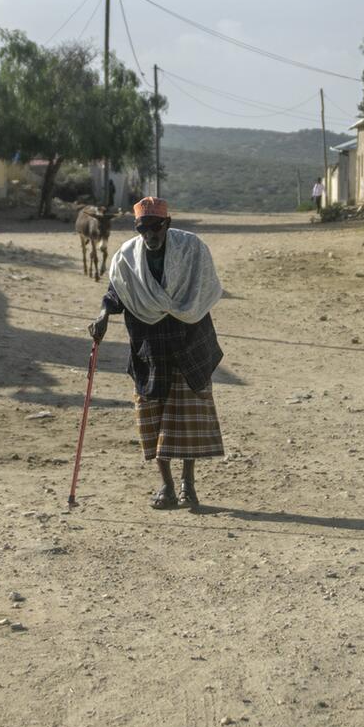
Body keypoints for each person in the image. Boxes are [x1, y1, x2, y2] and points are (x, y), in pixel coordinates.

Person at [87, 197, 225, 510]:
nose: (150, 234)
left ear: (167, 223)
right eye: (143, 228)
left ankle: (189, 483)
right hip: (150, 346)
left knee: (187, 417)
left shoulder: (191, 250)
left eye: (155, 227)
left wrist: (183, 309)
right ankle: (167, 485)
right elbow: (116, 292)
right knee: (153, 415)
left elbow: (206, 286)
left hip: (189, 341)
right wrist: (103, 315)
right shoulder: (127, 256)